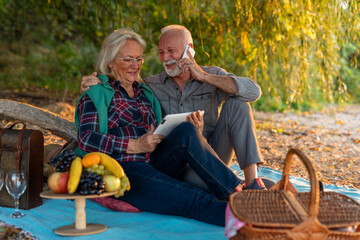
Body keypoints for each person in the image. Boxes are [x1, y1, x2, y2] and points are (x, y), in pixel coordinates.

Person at [76, 27, 243, 226]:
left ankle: (237, 192)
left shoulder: (144, 91)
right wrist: (134, 145)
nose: (135, 65)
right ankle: (245, 216)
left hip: (156, 161)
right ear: (110, 62)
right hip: (124, 170)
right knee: (192, 198)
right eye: (127, 59)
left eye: (139, 59)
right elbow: (86, 138)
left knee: (187, 131)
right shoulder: (96, 92)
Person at [81, 25, 269, 190]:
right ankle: (234, 189)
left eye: (171, 51)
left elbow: (253, 92)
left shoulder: (212, 75)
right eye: (162, 52)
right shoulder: (151, 85)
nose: (166, 58)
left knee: (238, 104)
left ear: (189, 50)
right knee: (200, 170)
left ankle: (253, 183)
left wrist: (204, 76)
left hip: (214, 155)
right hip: (179, 164)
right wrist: (96, 83)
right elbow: (121, 82)